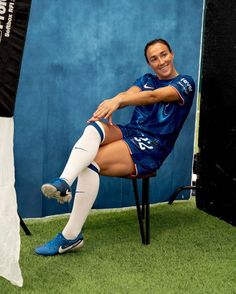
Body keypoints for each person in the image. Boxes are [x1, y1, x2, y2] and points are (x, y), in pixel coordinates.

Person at [35, 38, 195, 256]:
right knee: (94, 127)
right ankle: (64, 182)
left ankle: (70, 236)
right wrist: (116, 99)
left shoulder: (185, 83)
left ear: (172, 54)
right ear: (149, 64)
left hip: (151, 145)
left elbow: (153, 96)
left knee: (89, 164)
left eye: (164, 55)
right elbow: (130, 93)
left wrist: (119, 101)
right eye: (154, 59)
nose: (161, 61)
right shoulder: (147, 79)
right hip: (131, 132)